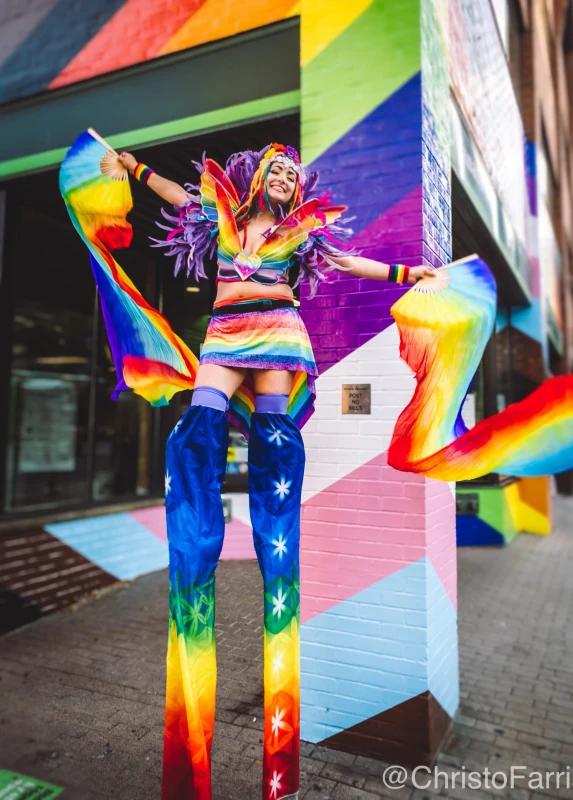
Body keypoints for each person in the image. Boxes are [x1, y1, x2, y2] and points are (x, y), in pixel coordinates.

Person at [115, 143, 434, 800]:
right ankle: (198, 524)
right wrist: (136, 169)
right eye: (278, 171)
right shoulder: (226, 218)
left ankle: (271, 524)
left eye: (294, 173)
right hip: (227, 331)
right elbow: (179, 196)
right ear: (260, 179)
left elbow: (348, 261)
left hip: (279, 335)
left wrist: (409, 274)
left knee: (274, 438)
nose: (287, 180)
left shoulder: (301, 232)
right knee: (199, 418)